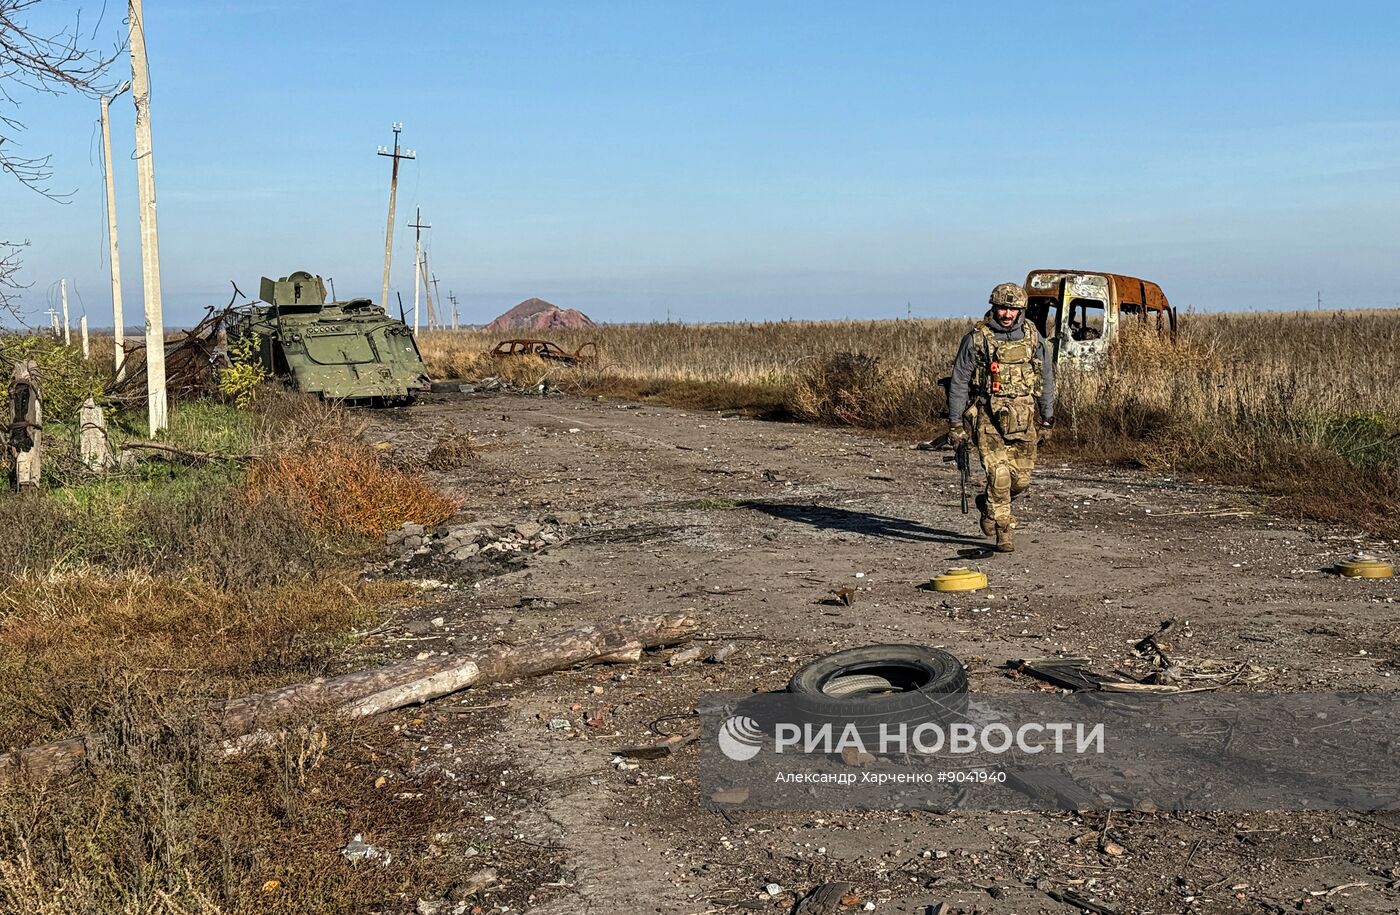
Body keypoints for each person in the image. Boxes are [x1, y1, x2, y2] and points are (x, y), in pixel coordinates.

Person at [945, 283, 1056, 552]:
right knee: (1000, 476)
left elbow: (1045, 379)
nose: (1007, 314)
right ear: (993, 307)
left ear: (1021, 310)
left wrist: (1048, 418)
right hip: (988, 418)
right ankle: (1004, 531)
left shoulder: (1033, 337)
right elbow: (959, 381)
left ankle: (988, 504)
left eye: (1012, 309)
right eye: (1002, 308)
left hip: (1024, 417)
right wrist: (956, 423)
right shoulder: (977, 339)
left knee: (1021, 481)